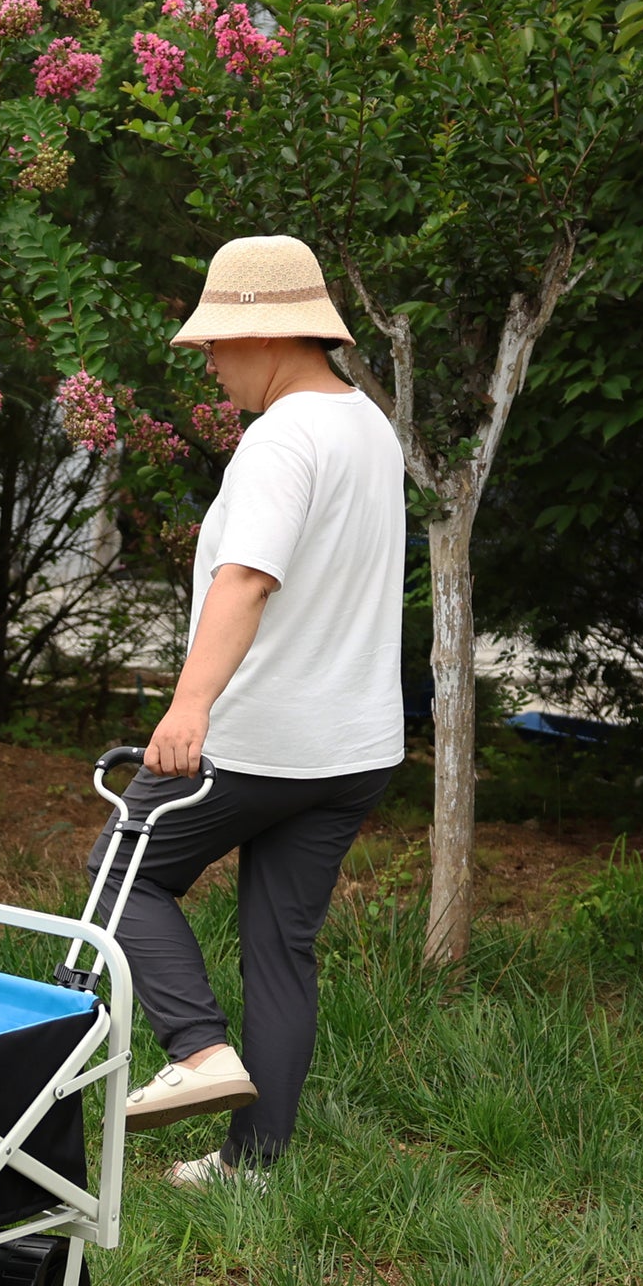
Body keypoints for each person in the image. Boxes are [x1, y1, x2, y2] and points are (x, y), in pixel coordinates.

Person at [87, 234, 406, 1188]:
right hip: (354, 748)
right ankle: (252, 1167)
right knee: (280, 948)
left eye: (216, 342)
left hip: (260, 742)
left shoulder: (282, 438)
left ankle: (196, 1050)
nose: (210, 362)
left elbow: (246, 579)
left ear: (268, 335)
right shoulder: (368, 425)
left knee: (120, 877)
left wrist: (188, 707)